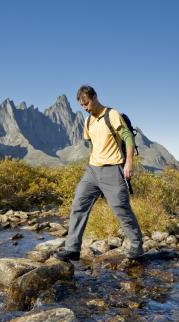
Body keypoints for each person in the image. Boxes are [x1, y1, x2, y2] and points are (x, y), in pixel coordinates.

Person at [54, 85, 144, 262]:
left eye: (87, 103)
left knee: (121, 208)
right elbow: (91, 144)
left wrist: (129, 163)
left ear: (94, 97)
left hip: (113, 169)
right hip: (92, 171)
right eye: (82, 106)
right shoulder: (88, 121)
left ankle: (136, 244)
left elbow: (128, 137)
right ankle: (72, 249)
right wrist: (92, 162)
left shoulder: (112, 115)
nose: (85, 108)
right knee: (78, 204)